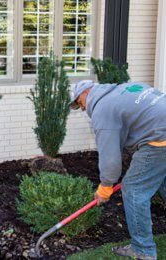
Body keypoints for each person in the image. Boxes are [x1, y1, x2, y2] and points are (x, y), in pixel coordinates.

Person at [70, 80, 166, 260]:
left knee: (134, 190)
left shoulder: (102, 110)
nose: (82, 108)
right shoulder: (123, 89)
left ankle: (143, 250)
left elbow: (110, 157)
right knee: (161, 180)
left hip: (159, 141)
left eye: (78, 103)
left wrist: (106, 185)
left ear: (84, 93)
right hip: (161, 133)